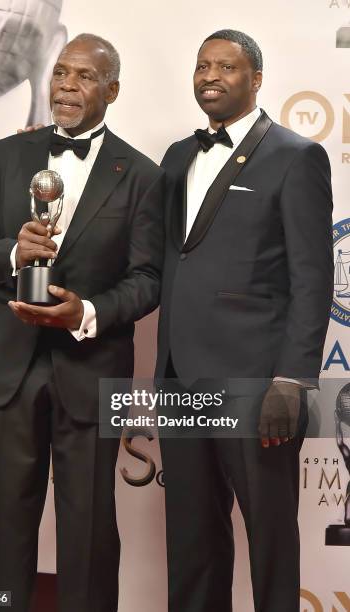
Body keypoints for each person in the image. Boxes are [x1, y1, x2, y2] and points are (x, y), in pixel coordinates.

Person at [0, 33, 164, 612]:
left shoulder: (142, 174)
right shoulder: (6, 154)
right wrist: (13, 253)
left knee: (91, 530)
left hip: (91, 368)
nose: (68, 86)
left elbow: (148, 279)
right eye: (61, 74)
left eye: (86, 77)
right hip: (7, 370)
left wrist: (88, 312)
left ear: (113, 90)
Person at [155, 29, 333, 612]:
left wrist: (295, 378)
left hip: (257, 383)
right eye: (202, 65)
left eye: (226, 67)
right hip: (180, 379)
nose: (210, 76)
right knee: (191, 540)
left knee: (271, 539)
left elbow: (312, 277)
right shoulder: (179, 155)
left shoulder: (296, 155)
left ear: (255, 79)